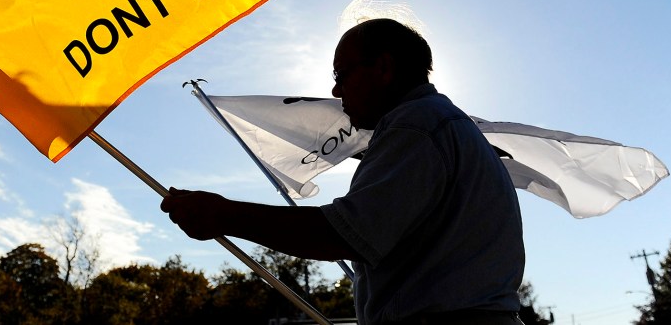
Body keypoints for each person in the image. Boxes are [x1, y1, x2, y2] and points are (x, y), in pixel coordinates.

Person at [161, 18, 526, 325]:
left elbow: (345, 234)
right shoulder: (438, 124)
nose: (336, 89)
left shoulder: (415, 126)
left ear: (383, 68)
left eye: (342, 73)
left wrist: (224, 215)